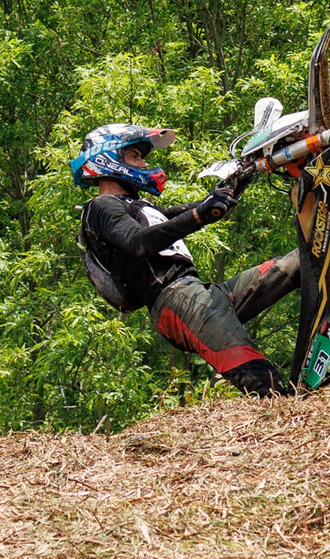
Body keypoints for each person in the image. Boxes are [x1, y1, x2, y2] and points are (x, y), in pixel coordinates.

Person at [73, 123, 297, 396]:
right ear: (106, 160)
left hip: (202, 294)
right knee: (263, 381)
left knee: (295, 264)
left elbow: (206, 207)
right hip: (176, 300)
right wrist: (200, 215)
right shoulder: (102, 205)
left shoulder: (139, 206)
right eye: (135, 156)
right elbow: (138, 243)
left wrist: (244, 173)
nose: (143, 162)